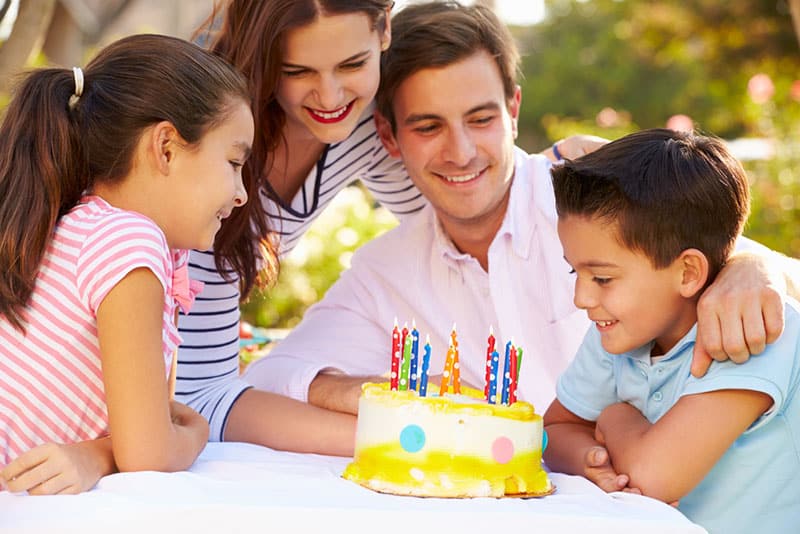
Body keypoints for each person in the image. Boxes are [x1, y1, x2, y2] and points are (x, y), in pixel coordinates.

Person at [243, 0, 800, 490]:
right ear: (389, 136)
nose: (460, 152)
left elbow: (718, 264)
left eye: (480, 118)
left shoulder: (596, 206)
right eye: (428, 126)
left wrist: (754, 266)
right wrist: (382, 388)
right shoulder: (384, 269)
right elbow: (268, 377)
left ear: (512, 109)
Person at [178, 0, 602, 447]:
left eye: (353, 64)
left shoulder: (364, 128)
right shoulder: (212, 146)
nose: (330, 96)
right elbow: (200, 398)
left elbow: (468, 196)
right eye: (298, 71)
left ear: (383, 33)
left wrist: (572, 176)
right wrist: (413, 427)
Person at [0, 34, 251, 494]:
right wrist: (196, 432)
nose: (242, 193)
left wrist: (99, 453)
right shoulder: (128, 242)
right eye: (234, 162)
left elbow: (142, 426)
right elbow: (149, 453)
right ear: (167, 148)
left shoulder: (85, 225)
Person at [543, 129, 799, 533]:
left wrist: (612, 420)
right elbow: (556, 430)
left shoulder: (751, 331)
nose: (581, 298)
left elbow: (654, 477)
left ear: (687, 272)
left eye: (603, 278)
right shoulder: (618, 332)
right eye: (577, 271)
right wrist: (593, 462)